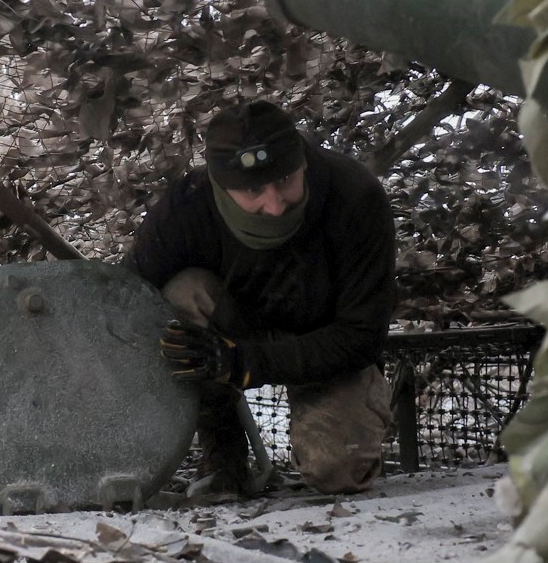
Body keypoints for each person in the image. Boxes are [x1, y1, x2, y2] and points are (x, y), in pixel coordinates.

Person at [127, 99, 397, 498]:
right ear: (221, 184)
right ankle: (223, 457)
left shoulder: (355, 195)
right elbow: (124, 300)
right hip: (233, 326)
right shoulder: (186, 206)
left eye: (286, 179)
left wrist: (245, 363)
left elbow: (363, 334)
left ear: (303, 161)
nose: (274, 205)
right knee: (180, 294)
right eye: (253, 189)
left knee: (337, 471)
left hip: (330, 347)